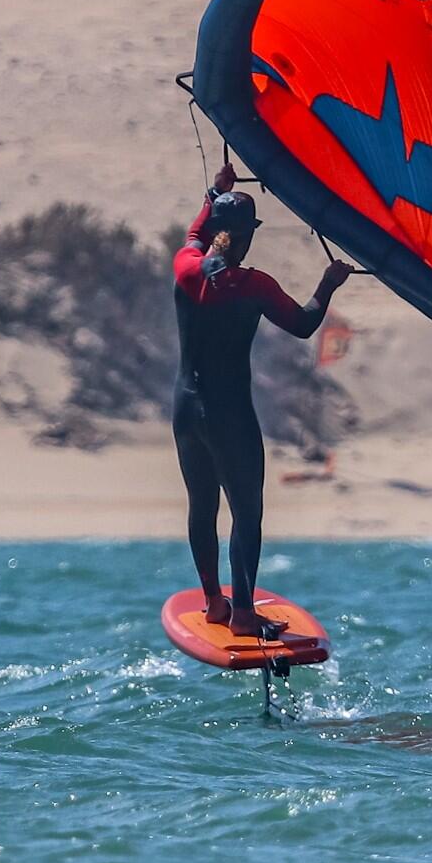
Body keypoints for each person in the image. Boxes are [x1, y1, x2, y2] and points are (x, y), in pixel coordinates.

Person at [174, 164, 353, 637]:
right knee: (246, 512)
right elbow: (303, 324)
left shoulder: (186, 268)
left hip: (186, 409)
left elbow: (195, 234)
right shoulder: (253, 286)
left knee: (201, 506)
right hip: (230, 415)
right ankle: (245, 613)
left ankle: (215, 603)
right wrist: (328, 284)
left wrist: (214, 191)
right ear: (247, 238)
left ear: (214, 231)